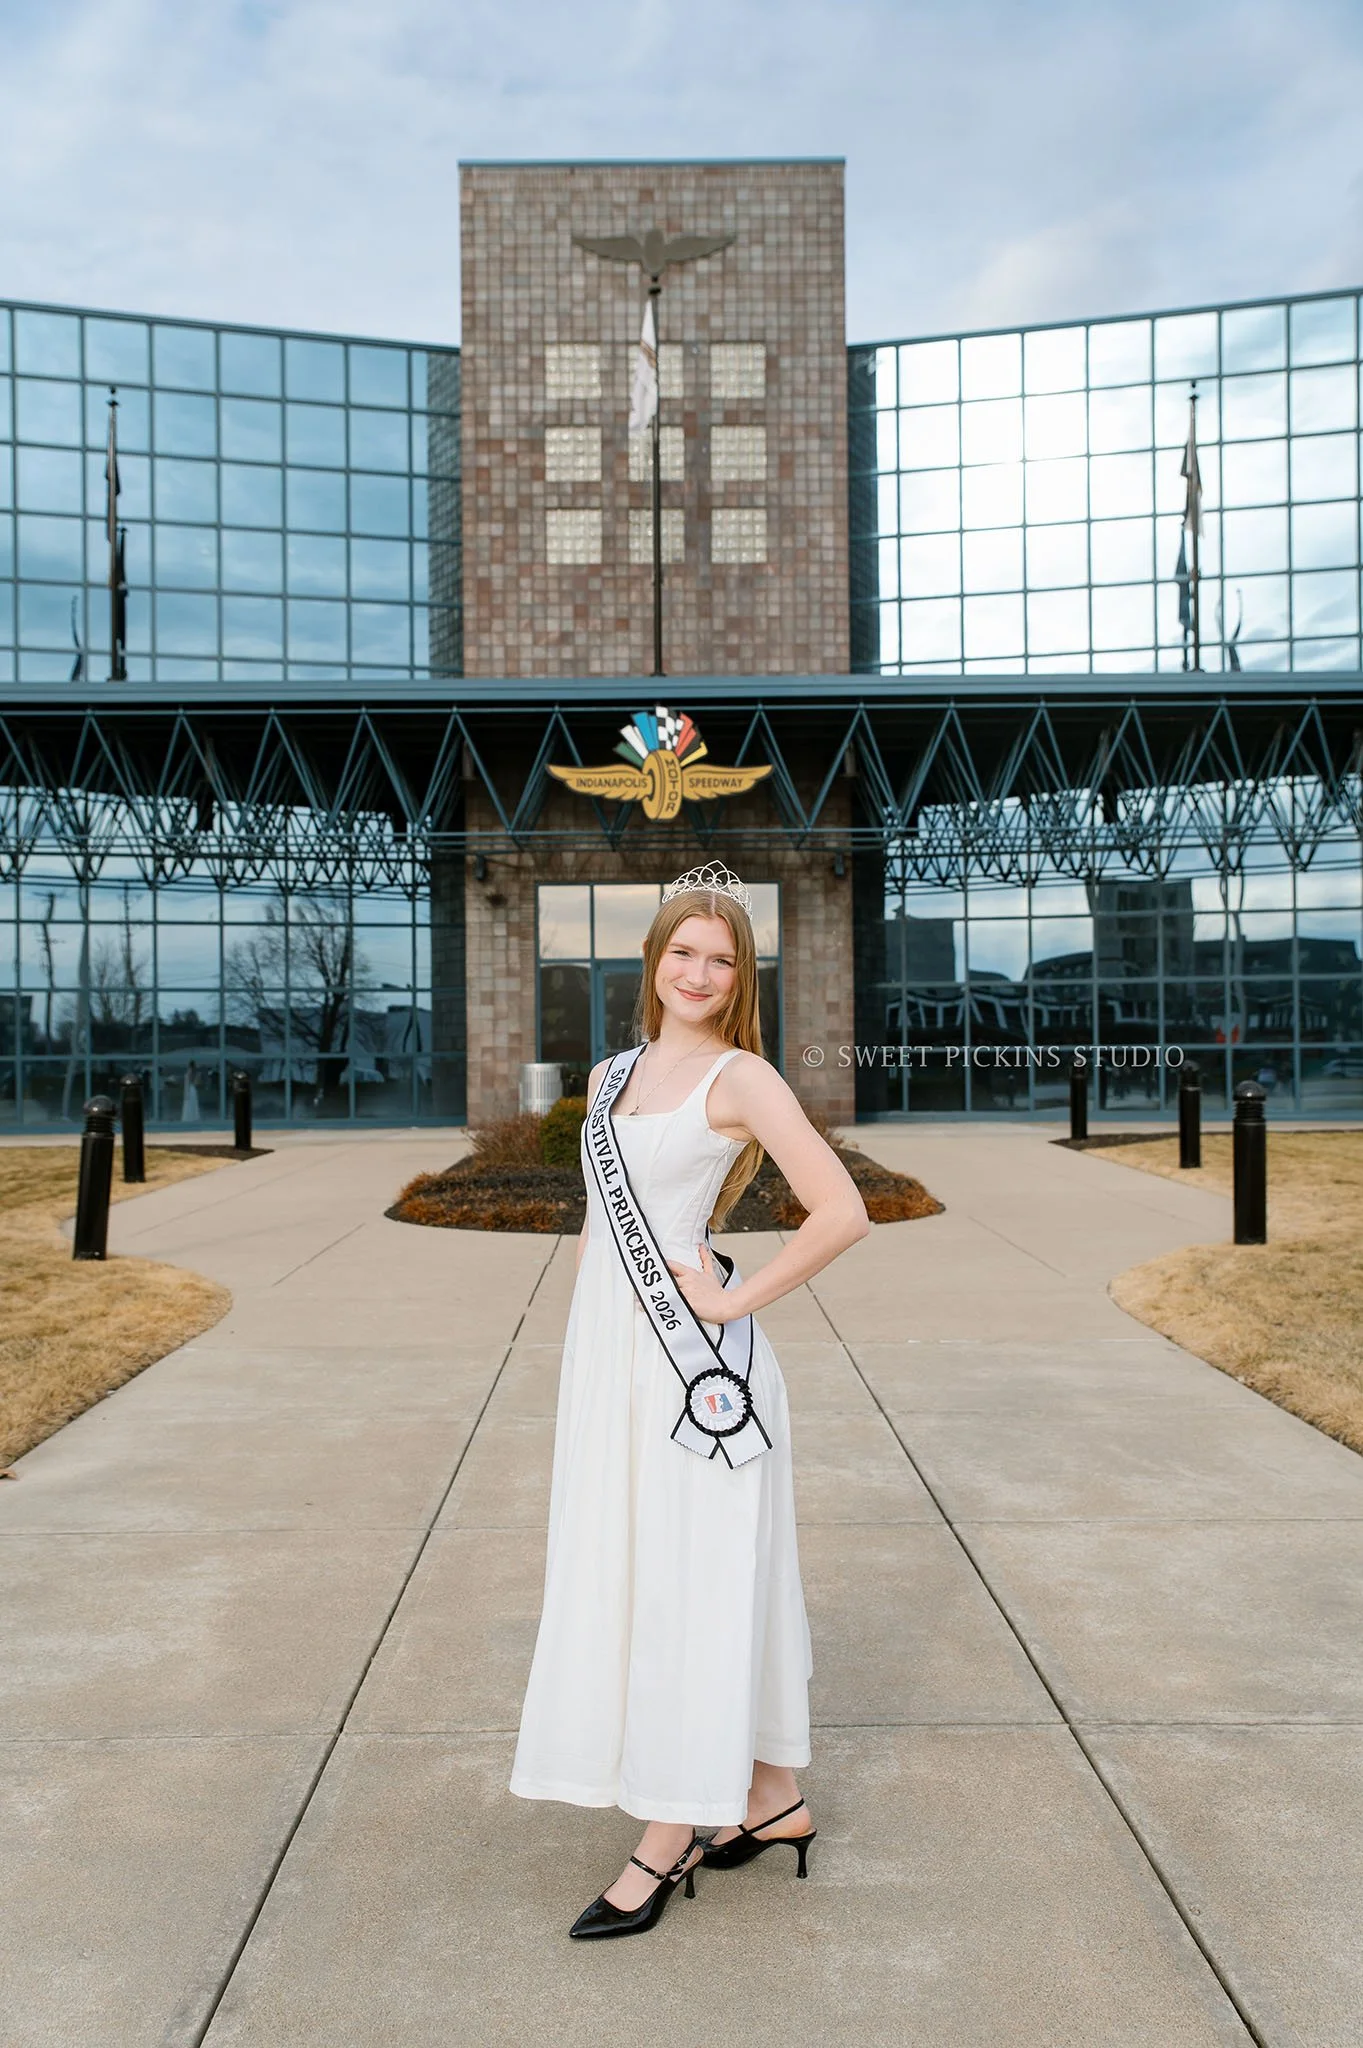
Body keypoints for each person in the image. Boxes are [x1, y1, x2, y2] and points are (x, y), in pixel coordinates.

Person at [510, 864, 871, 1939]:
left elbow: (841, 1210)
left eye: (721, 957)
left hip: (695, 1374)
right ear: (653, 958)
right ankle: (772, 1799)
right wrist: (580, 1350)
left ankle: (667, 1831)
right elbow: (599, 1228)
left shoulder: (745, 1075)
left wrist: (731, 1298)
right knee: (648, 1569)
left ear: (740, 972)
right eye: (683, 950)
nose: (699, 971)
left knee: (688, 1585)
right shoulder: (613, 1069)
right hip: (614, 1360)